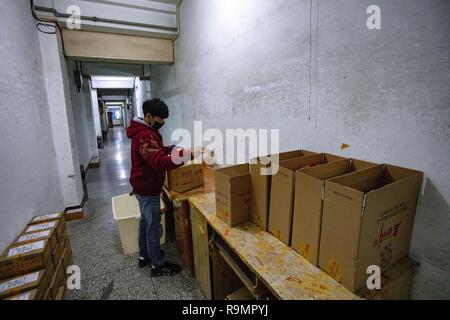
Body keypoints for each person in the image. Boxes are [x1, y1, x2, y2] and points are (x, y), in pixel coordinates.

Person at [126, 99, 185, 276]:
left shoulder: (144, 131)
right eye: (159, 120)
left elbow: (155, 151)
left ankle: (145, 256)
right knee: (153, 228)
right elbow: (159, 163)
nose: (162, 123)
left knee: (145, 223)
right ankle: (157, 266)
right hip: (147, 189)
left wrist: (171, 148)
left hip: (142, 186)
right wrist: (188, 155)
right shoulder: (145, 135)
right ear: (149, 116)